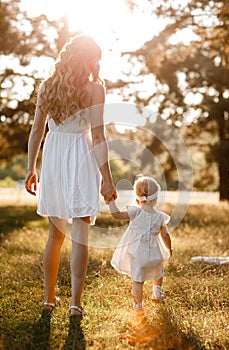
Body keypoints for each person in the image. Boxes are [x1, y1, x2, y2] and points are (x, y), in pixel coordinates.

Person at [25, 34, 117, 317]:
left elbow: (37, 130)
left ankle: (48, 300)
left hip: (53, 154)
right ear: (88, 58)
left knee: (55, 235)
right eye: (95, 58)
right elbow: (99, 135)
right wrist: (108, 178)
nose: (97, 64)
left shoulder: (48, 87)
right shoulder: (94, 90)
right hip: (81, 154)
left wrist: (31, 168)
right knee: (81, 232)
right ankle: (76, 304)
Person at [107, 175, 172, 311]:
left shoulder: (135, 212)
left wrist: (111, 202)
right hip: (155, 253)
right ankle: (157, 293)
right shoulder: (160, 216)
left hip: (137, 254)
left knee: (138, 280)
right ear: (155, 199)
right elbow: (165, 235)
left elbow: (116, 215)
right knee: (159, 272)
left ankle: (138, 306)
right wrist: (169, 249)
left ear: (137, 198)